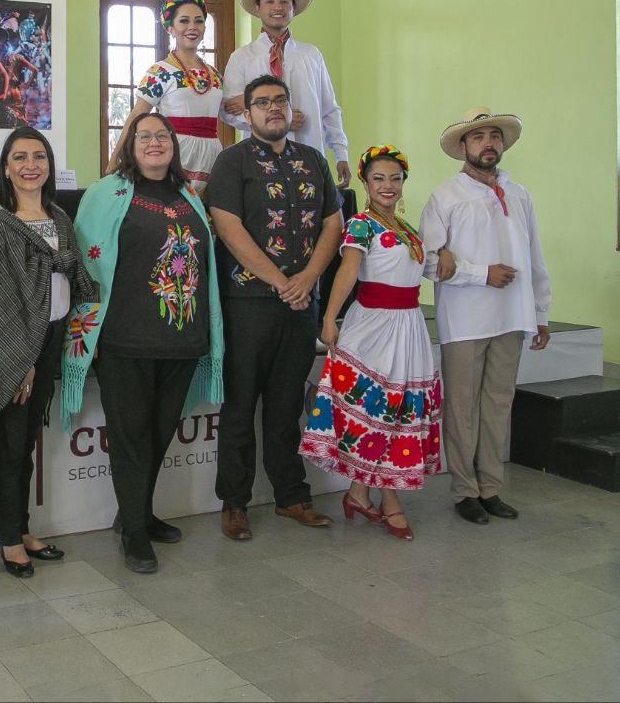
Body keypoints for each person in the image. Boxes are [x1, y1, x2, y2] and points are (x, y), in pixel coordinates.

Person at [62, 111, 224, 573]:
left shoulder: (189, 195)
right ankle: (134, 532)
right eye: (144, 136)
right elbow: (84, 265)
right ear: (129, 145)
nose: (155, 142)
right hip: (125, 340)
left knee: (158, 433)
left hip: (182, 339)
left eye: (162, 136)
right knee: (131, 438)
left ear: (173, 146)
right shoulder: (105, 193)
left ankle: (138, 513)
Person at [203, 74, 342, 541]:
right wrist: (283, 281)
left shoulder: (314, 161)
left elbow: (332, 224)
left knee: (286, 408)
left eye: (280, 100)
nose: (273, 108)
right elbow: (228, 227)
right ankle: (235, 504)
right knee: (240, 408)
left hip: (301, 304)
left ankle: (292, 497)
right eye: (261, 103)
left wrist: (306, 280)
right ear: (247, 114)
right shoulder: (231, 161)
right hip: (248, 304)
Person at [0, 127, 97, 576]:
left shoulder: (59, 217)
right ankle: (8, 540)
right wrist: (18, 360)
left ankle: (21, 528)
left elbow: (71, 276)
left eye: (38, 157)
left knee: (26, 445)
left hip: (53, 338)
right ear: (5, 167)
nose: (30, 165)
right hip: (12, 345)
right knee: (8, 445)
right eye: (19, 157)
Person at [300, 145, 443, 540]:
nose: (388, 186)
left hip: (409, 326)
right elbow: (347, 272)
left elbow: (422, 270)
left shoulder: (407, 229)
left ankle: (359, 494)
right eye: (379, 178)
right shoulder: (361, 224)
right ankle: (390, 501)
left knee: (398, 412)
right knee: (381, 412)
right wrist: (328, 318)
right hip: (374, 327)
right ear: (364, 182)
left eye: (395, 179)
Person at [421, 108, 551, 524]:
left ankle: (491, 487)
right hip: (465, 319)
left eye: (495, 136)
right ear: (464, 147)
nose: (488, 143)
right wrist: (482, 274)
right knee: (461, 406)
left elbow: (534, 257)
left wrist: (540, 311)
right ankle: (465, 491)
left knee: (498, 403)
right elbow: (427, 260)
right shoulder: (446, 196)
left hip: (512, 316)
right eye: (478, 137)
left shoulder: (519, 193)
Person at [218, 0, 351, 187]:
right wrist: (278, 122)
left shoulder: (311, 55)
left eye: (284, 2)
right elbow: (228, 111)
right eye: (269, 1)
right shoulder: (242, 57)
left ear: (293, 9)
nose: (277, 7)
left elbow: (329, 108)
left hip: (309, 153)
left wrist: (340, 152)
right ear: (258, 8)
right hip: (259, 159)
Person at [108, 0, 223, 189]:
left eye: (199, 21)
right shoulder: (160, 72)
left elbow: (229, 112)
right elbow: (137, 116)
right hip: (176, 152)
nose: (192, 27)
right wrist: (113, 162)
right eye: (184, 21)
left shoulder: (214, 75)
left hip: (211, 153)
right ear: (170, 28)